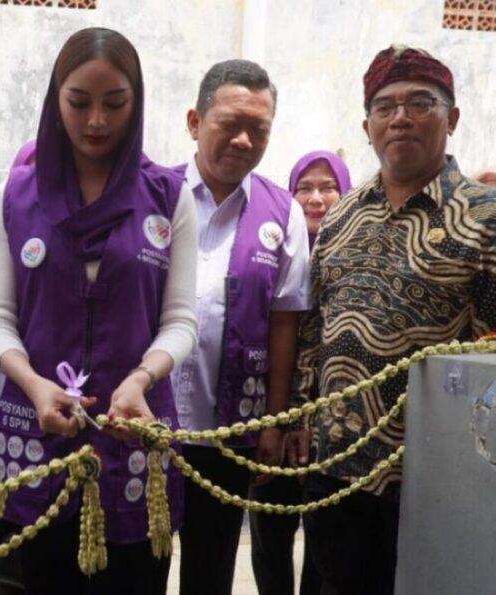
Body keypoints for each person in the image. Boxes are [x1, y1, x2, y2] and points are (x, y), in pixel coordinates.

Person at [288, 45, 496, 595]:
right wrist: (300, 415)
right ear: (366, 126)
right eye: (385, 106)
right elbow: (314, 328)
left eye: (420, 103)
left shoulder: (495, 222)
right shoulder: (342, 215)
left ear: (452, 118)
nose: (400, 118)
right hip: (336, 472)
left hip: (435, 483)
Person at [0, 27, 199, 594]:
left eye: (114, 103)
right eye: (79, 102)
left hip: (134, 431)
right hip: (36, 436)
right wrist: (32, 384)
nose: (96, 121)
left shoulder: (168, 196)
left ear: (136, 102)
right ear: (56, 98)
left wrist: (141, 379)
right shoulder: (11, 198)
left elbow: (180, 320)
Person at [167, 59, 310, 595]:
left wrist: (273, 420)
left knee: (211, 569)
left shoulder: (281, 213)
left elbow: (284, 321)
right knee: (135, 565)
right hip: (147, 423)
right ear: (195, 122)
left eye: (259, 129)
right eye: (230, 123)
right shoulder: (152, 194)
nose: (244, 140)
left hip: (228, 430)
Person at [247, 150, 350, 595]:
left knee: (325, 540)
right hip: (271, 415)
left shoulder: (354, 257)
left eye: (328, 188)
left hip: (332, 427)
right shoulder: (268, 255)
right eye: (304, 188)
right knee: (269, 532)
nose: (315, 198)